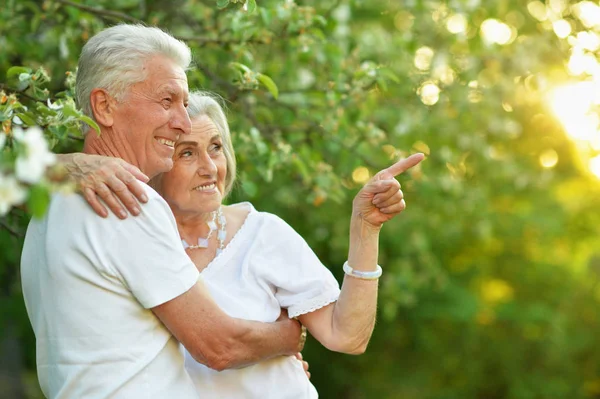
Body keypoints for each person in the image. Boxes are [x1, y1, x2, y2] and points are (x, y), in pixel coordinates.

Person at [20, 24, 306, 399]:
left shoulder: (49, 198)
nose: (183, 123)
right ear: (104, 106)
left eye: (184, 104)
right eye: (167, 101)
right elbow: (219, 346)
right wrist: (290, 336)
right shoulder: (128, 201)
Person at [150, 91, 425, 397]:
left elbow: (347, 336)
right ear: (155, 163)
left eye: (215, 148)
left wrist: (366, 227)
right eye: (187, 153)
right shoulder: (133, 247)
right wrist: (284, 337)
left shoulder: (262, 233)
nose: (210, 167)